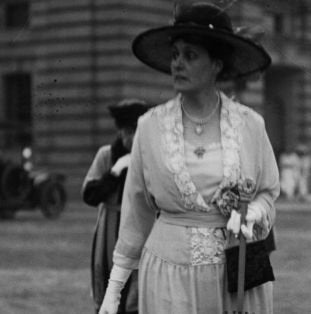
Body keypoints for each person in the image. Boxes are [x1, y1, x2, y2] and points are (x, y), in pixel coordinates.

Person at [98, 2, 279, 314]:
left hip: (234, 275)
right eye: (175, 54)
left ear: (216, 65)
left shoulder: (250, 124)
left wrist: (253, 213)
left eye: (190, 55)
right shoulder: (150, 126)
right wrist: (114, 290)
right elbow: (136, 212)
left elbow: (267, 192)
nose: (177, 64)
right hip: (170, 277)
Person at [83, 99, 149, 314]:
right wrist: (115, 171)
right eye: (125, 131)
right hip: (111, 227)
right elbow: (89, 195)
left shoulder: (150, 156)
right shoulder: (106, 155)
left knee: (138, 292)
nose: (130, 138)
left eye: (135, 131)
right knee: (110, 287)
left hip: (143, 228)